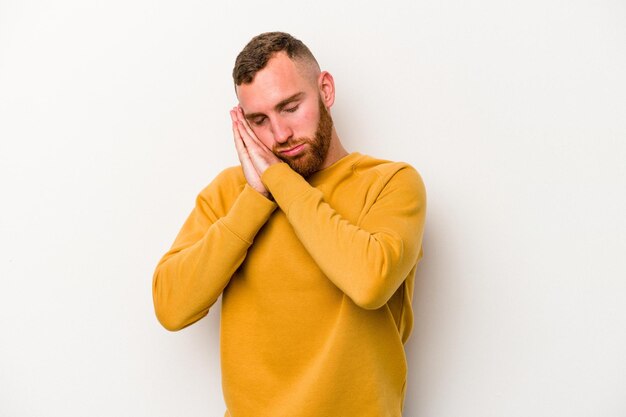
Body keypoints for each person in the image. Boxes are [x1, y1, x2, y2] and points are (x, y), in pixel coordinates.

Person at [152, 31, 426, 417]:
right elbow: (172, 307)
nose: (280, 135)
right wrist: (255, 198)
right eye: (259, 120)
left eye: (291, 107)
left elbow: (370, 282)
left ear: (325, 90)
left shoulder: (390, 182)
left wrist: (279, 181)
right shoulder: (231, 194)